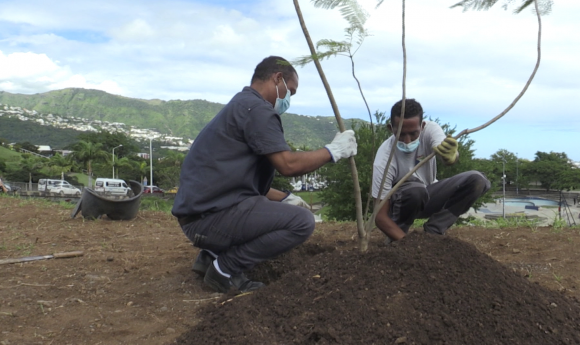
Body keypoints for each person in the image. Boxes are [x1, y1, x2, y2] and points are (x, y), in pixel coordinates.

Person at [172, 56, 357, 293]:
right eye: (290, 91)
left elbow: (240, 183)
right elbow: (288, 165)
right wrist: (333, 151)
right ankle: (224, 269)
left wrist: (285, 198)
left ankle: (210, 256)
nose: (289, 98)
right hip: (209, 220)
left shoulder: (241, 105)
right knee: (301, 223)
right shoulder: (258, 110)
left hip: (197, 219)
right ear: (277, 78)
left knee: (276, 208)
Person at [372, 98, 491, 242]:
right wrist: (406, 244)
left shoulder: (430, 130)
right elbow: (380, 216)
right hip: (401, 204)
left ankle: (434, 231)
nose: (407, 140)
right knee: (415, 190)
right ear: (391, 129)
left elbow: (444, 151)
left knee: (477, 180)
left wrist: (451, 156)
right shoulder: (384, 160)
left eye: (413, 134)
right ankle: (397, 236)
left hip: (428, 195)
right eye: (401, 134)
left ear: (422, 126)